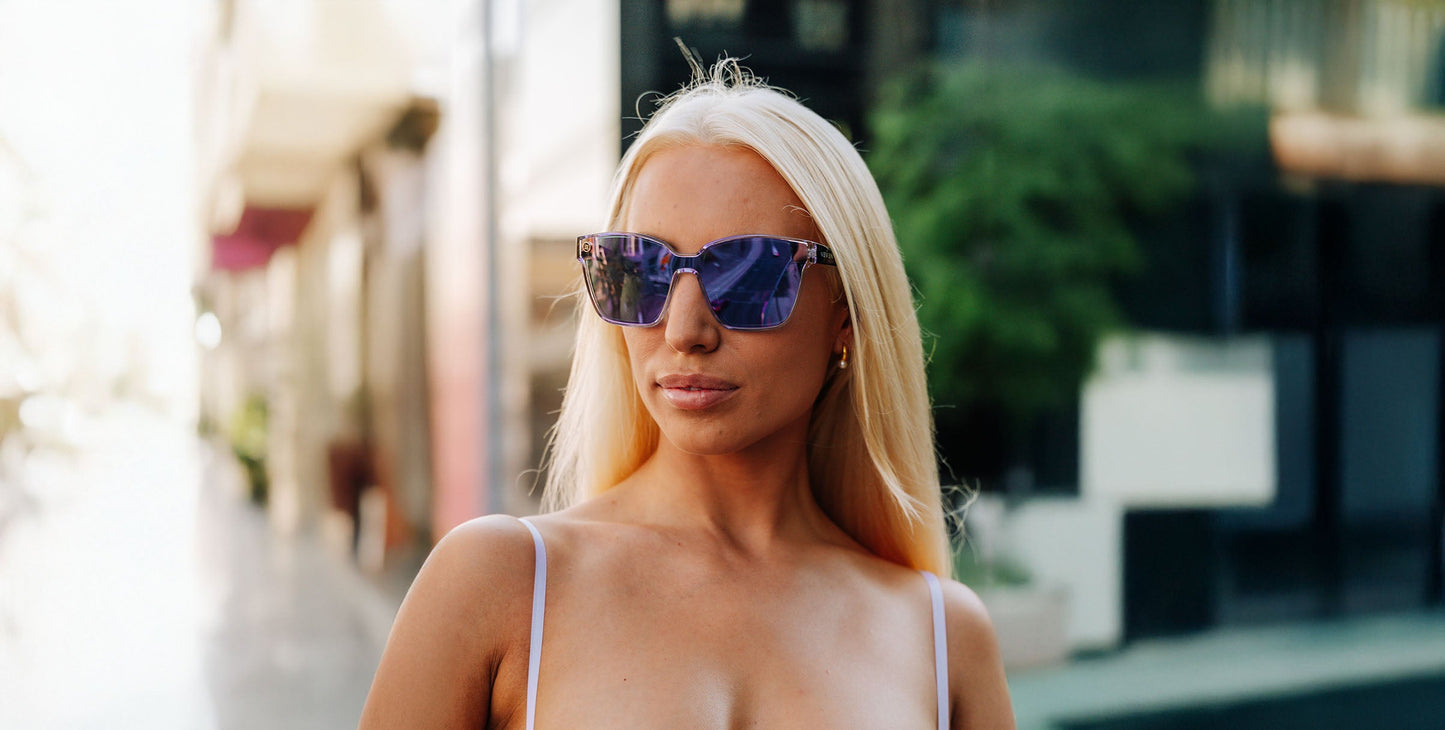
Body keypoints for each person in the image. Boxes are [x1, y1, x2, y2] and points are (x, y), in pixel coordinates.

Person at [360, 58, 1015, 728]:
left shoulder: (942, 635)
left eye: (747, 274)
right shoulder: (499, 582)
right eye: (639, 271)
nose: (684, 329)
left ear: (845, 312)